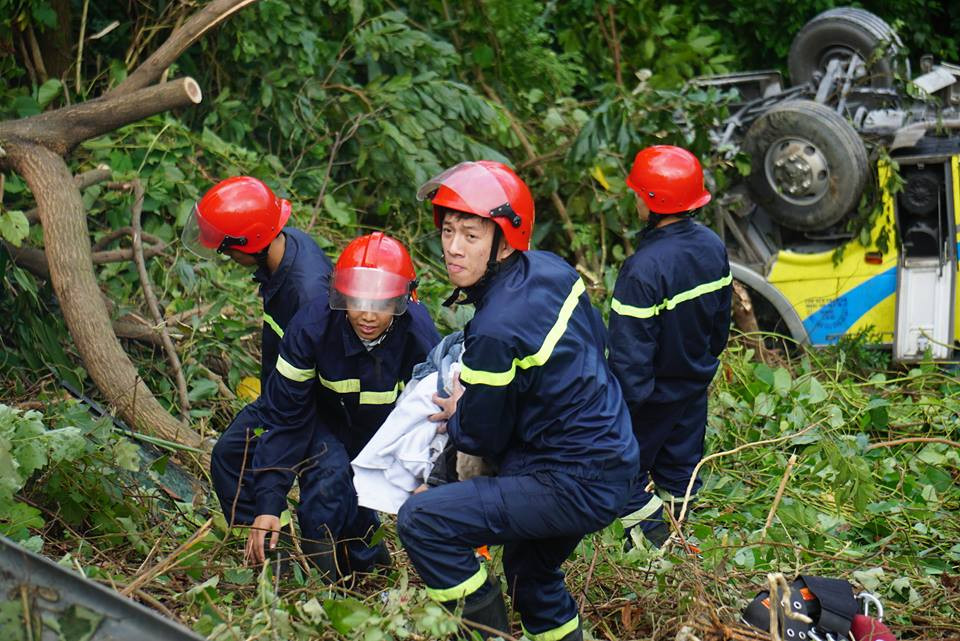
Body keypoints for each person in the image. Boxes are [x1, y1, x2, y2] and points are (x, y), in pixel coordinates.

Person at [396, 161, 639, 641]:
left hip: (571, 479)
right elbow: (597, 345)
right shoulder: (552, 271)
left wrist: (459, 409)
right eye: (447, 231)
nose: (452, 247)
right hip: (611, 455)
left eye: (470, 234)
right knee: (531, 571)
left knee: (422, 521)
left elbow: (480, 435)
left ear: (505, 240)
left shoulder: (495, 328)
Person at [242, 231, 441, 577]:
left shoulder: (418, 336)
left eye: (382, 304)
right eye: (357, 300)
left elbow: (436, 416)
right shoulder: (311, 328)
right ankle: (322, 583)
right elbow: (285, 418)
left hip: (380, 431)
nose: (367, 315)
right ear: (341, 293)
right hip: (321, 421)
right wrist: (269, 503)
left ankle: (368, 573)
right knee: (328, 481)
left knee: (360, 499)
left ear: (402, 300)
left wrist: (433, 477)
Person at [182, 176, 333, 526]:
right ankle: (264, 549)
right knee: (229, 458)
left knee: (327, 504)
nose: (226, 255)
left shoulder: (307, 294)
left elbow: (313, 380)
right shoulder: (286, 248)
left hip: (305, 404)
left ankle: (276, 548)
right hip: (282, 391)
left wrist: (282, 434)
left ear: (249, 242)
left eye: (226, 248)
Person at [608, 145, 732, 547]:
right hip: (693, 388)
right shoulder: (713, 246)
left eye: (637, 194)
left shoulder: (643, 271)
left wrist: (617, 416)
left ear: (651, 200)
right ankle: (679, 540)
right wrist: (699, 366)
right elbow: (719, 328)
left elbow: (630, 359)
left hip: (650, 401)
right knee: (682, 472)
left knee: (620, 471)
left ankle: (652, 543)